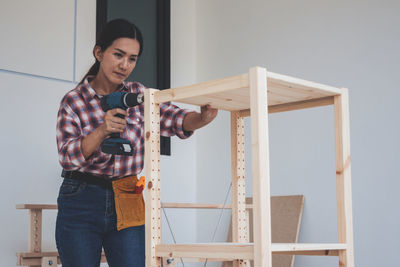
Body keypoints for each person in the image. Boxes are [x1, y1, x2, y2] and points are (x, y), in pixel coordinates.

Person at [55, 18, 217, 267]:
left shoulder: (137, 94)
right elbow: (67, 157)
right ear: (99, 52)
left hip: (129, 193)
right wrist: (101, 131)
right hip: (81, 198)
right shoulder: (74, 101)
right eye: (118, 55)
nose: (124, 65)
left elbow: (174, 119)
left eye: (132, 58)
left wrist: (201, 118)